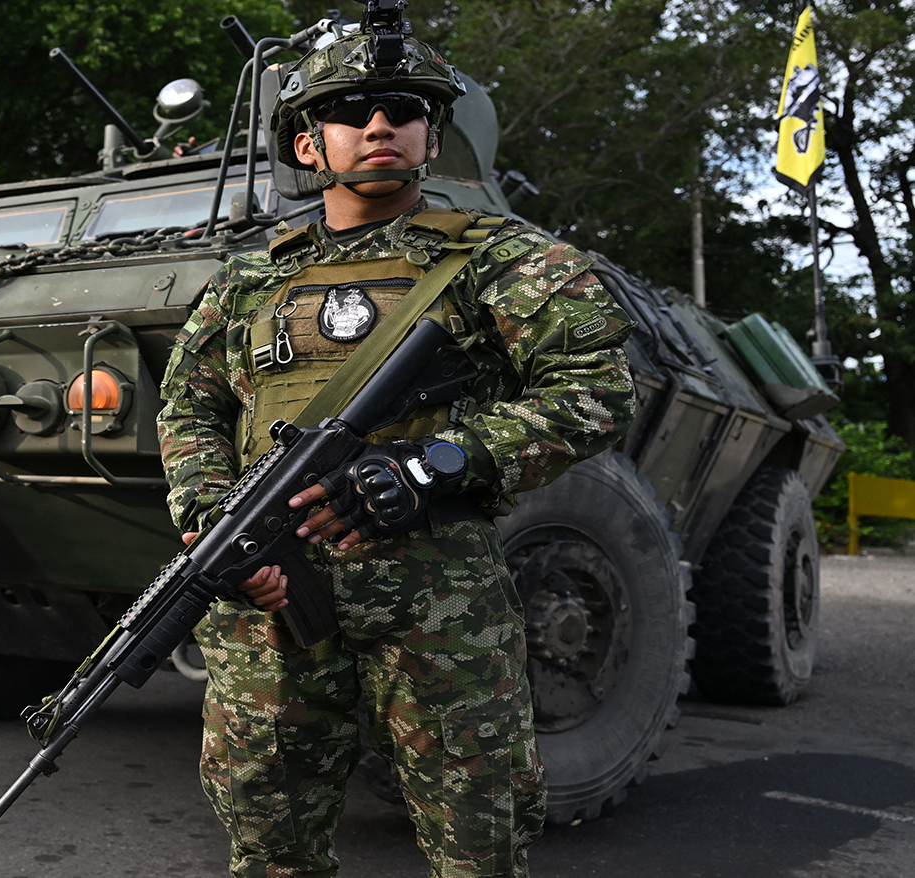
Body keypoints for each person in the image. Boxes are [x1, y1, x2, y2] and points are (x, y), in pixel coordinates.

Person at [155, 22, 637, 878]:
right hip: (272, 611)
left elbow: (594, 390)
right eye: (348, 112)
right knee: (269, 844)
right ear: (310, 143)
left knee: (477, 843)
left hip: (439, 604)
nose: (378, 126)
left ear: (430, 135)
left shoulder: (505, 259)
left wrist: (438, 464)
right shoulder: (248, 280)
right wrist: (215, 522)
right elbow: (189, 404)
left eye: (401, 110)